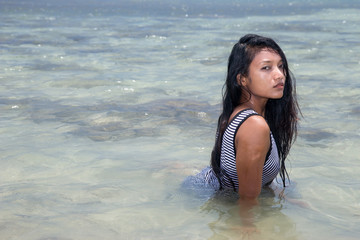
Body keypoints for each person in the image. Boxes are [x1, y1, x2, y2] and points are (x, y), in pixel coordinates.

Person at [200, 34, 300, 231]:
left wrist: (282, 195)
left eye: (281, 66)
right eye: (266, 68)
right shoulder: (254, 125)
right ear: (243, 79)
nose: (279, 75)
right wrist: (248, 228)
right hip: (208, 191)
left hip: (210, 183)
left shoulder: (240, 112)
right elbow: (247, 200)